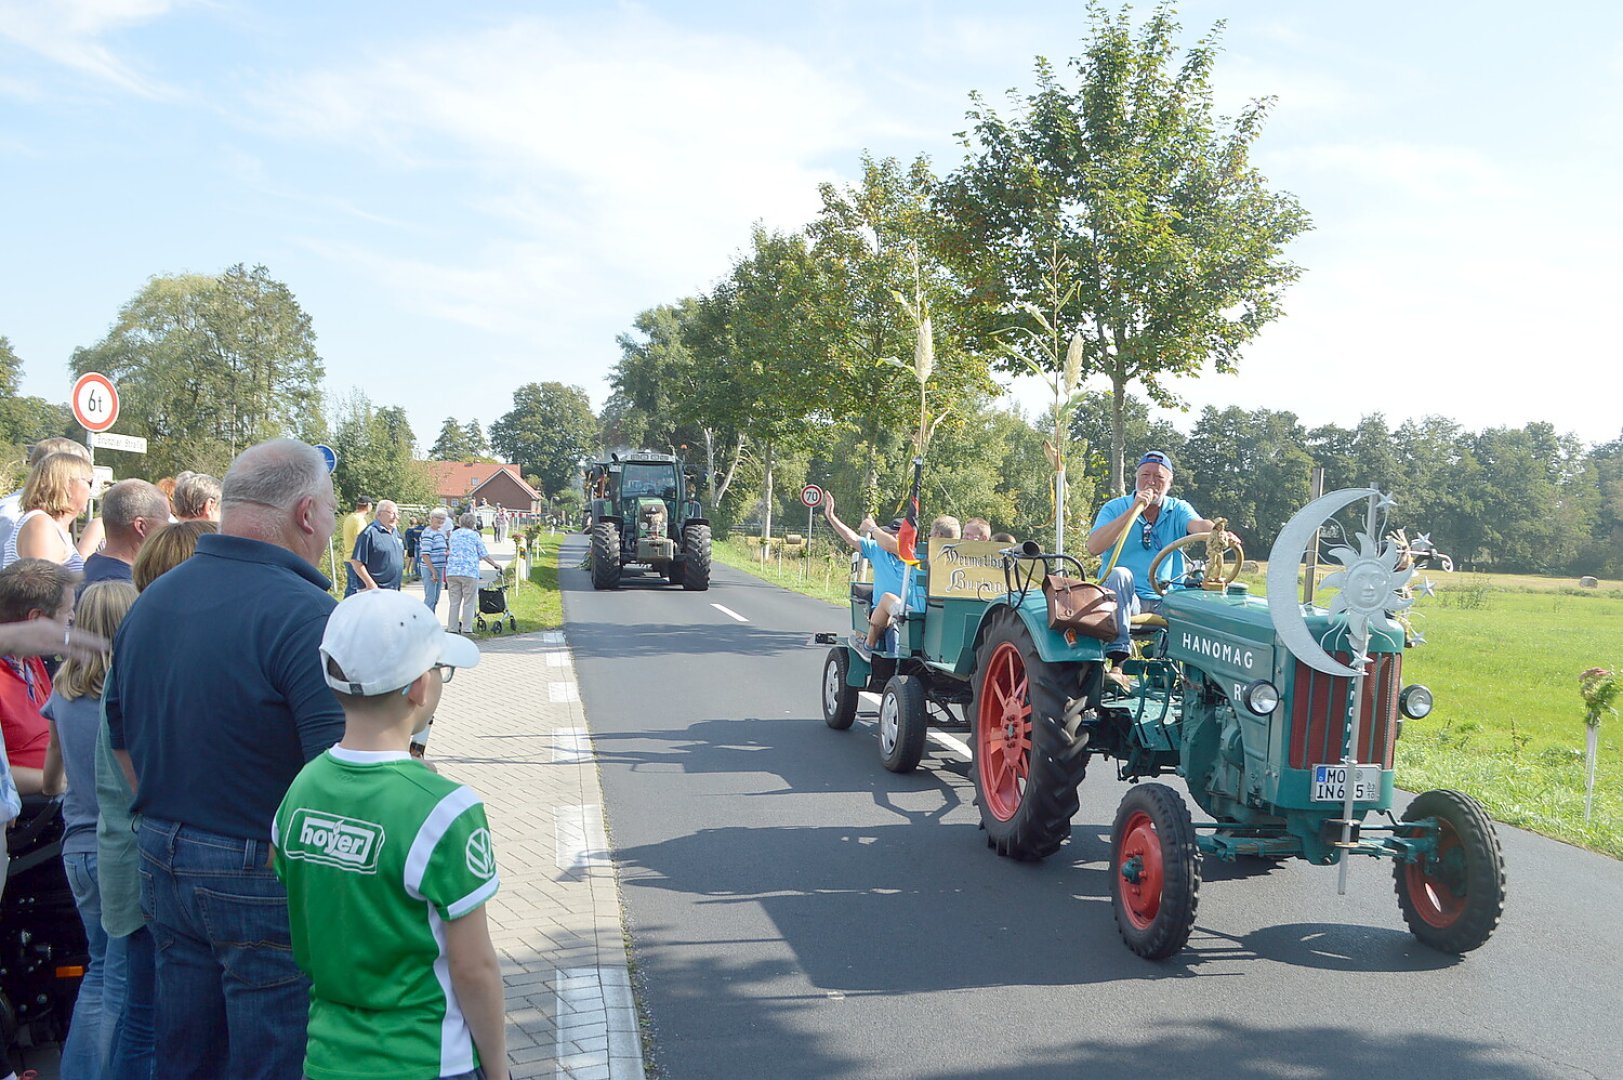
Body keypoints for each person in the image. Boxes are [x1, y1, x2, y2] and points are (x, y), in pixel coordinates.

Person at [106, 439, 345, 1079]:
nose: (328, 524)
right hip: (258, 867)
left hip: (161, 853)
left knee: (185, 1053)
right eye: (328, 508)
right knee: (272, 1057)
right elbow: (335, 773)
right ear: (304, 513)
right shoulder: (308, 613)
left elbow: (120, 739)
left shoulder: (151, 600)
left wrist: (172, 823)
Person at [273, 588, 506, 1080]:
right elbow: (474, 968)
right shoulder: (446, 808)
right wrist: (499, 1068)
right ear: (420, 687)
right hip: (425, 1058)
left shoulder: (300, 787)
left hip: (328, 1057)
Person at [97, 519, 216, 1080]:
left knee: (138, 1007)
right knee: (144, 1014)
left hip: (135, 848)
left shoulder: (137, 647)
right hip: (145, 851)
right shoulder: (150, 653)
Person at [42, 579, 139, 1079]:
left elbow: (50, 774)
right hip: (116, 850)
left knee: (98, 974)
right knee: (124, 982)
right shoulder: (123, 699)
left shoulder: (61, 692)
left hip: (74, 847)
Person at [1086, 450, 1225, 664]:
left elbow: (1198, 526)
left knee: (1207, 598)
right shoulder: (1115, 508)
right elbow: (1094, 547)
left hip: (1166, 598)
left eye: (1159, 477)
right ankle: (1119, 661)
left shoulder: (1177, 509)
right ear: (1136, 479)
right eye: (1145, 475)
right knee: (1119, 574)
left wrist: (1217, 531)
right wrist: (1133, 510)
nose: (1151, 482)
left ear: (1169, 483)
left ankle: (1196, 674)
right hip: (1127, 599)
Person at [0, 558, 77, 795]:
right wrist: (66, 781)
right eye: (66, 611)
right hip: (35, 810)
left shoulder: (29, 657)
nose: (72, 617)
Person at [1, 450, 97, 572]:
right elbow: (44, 586)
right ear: (66, 484)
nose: (91, 491)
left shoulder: (49, 525)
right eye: (90, 482)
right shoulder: (41, 525)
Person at [78, 478, 169, 597]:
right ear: (141, 526)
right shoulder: (119, 588)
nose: (168, 529)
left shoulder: (92, 568)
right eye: (166, 521)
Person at [445, 512, 501, 634]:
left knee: (454, 602)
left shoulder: (453, 535)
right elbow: (483, 554)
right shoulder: (474, 535)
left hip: (452, 571)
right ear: (473, 523)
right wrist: (495, 564)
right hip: (469, 572)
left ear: (460, 522)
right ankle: (467, 629)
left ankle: (452, 629)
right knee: (469, 602)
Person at [348, 498, 404, 593]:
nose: (395, 517)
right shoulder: (369, 533)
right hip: (374, 591)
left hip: (393, 589)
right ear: (379, 514)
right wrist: (371, 585)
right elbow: (356, 562)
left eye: (397, 514)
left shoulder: (395, 532)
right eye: (391, 513)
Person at [419, 507, 451, 613]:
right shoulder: (428, 533)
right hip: (430, 568)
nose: (441, 521)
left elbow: (443, 548)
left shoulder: (440, 532)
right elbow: (425, 554)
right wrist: (433, 571)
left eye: (443, 519)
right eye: (439, 518)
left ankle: (431, 620)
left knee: (436, 598)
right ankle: (426, 622)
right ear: (432, 518)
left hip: (440, 567)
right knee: (430, 598)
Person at [341, 494, 374, 595]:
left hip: (348, 556)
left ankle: (344, 609)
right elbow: (360, 541)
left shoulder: (349, 518)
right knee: (355, 591)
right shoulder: (359, 521)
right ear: (368, 506)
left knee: (351, 588)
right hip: (355, 559)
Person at [403, 517, 424, 582]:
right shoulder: (414, 530)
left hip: (409, 545)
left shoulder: (407, 530)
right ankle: (413, 571)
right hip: (414, 545)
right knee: (415, 559)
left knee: (409, 559)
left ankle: (407, 571)